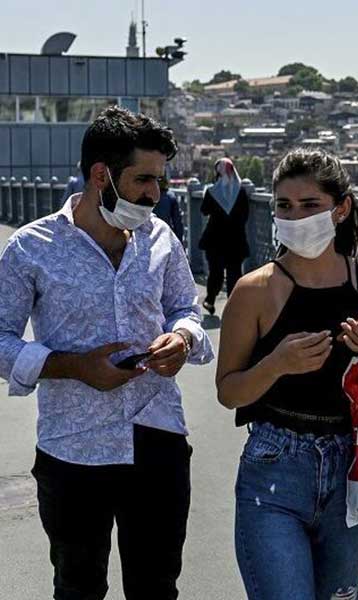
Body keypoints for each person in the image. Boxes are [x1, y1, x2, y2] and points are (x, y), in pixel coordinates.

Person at [0, 105, 214, 599]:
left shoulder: (161, 237)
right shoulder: (31, 248)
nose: (156, 194)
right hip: (72, 448)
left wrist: (182, 340)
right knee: (77, 588)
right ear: (101, 175)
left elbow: (186, 307)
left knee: (157, 588)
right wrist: (74, 367)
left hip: (158, 437)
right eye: (144, 180)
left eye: (160, 180)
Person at [215, 149, 358, 600]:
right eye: (284, 206)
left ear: (341, 208)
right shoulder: (254, 290)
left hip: (351, 466)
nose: (295, 217)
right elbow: (228, 391)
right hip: (275, 466)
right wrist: (276, 364)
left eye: (309, 205)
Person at [199, 157, 250, 315]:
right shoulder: (241, 191)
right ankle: (233, 304)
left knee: (216, 272)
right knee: (235, 272)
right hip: (236, 240)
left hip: (215, 240)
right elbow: (245, 215)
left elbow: (204, 210)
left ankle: (210, 300)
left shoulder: (212, 191)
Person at [153, 176, 186, 243]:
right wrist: (179, 242)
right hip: (165, 236)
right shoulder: (170, 196)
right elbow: (177, 223)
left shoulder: (146, 196)